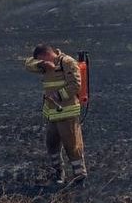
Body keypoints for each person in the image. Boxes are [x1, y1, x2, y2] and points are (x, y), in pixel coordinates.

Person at [24, 44, 87, 184]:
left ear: (46, 54)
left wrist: (58, 95)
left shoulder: (67, 62)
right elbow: (28, 64)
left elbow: (76, 85)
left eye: (40, 59)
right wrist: (42, 63)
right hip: (52, 114)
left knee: (72, 145)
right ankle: (58, 172)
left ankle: (79, 175)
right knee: (51, 144)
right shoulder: (44, 64)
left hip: (67, 112)